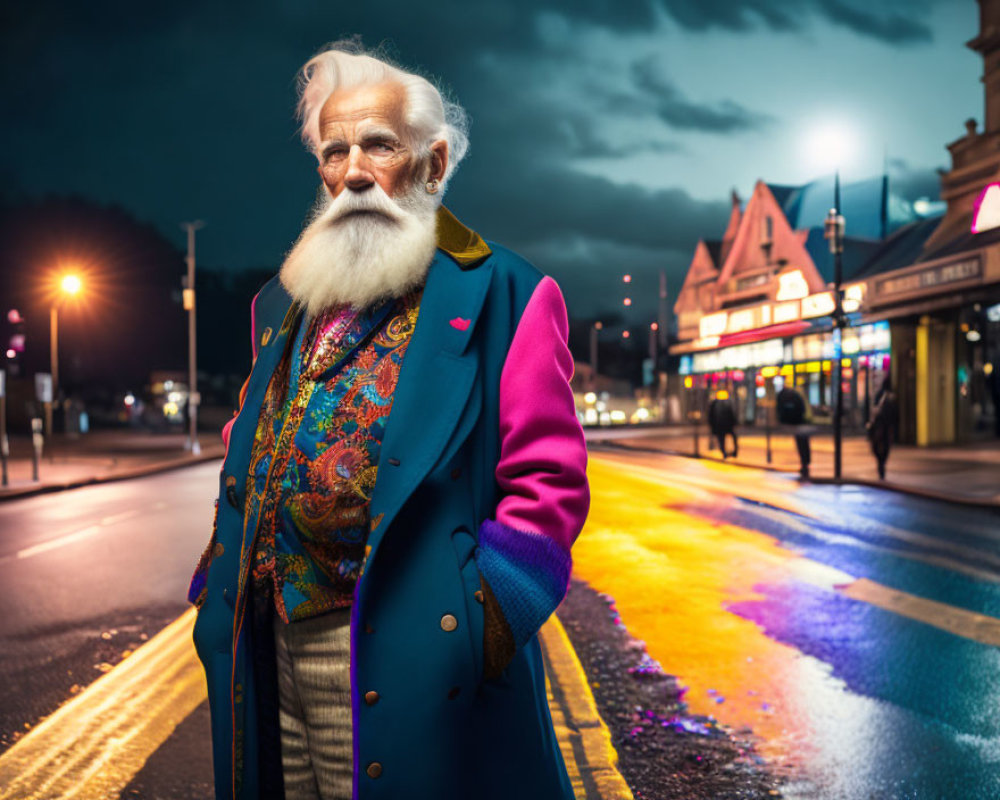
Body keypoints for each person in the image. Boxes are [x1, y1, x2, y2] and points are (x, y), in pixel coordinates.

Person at [186, 41, 589, 800]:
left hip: (404, 651)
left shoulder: (507, 292)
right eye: (335, 151)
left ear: (433, 164)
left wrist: (479, 629)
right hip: (270, 642)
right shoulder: (283, 301)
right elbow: (251, 449)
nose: (356, 170)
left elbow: (550, 486)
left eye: (380, 144)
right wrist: (219, 585)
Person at [776, 380, 812, 478]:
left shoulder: (786, 395)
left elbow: (780, 409)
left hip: (798, 421)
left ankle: (805, 463)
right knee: (804, 443)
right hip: (804, 420)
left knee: (801, 443)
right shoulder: (798, 394)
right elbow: (804, 408)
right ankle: (805, 463)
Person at [867, 376, 899, 480]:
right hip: (886, 427)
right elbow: (895, 414)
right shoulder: (891, 396)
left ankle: (881, 465)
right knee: (884, 448)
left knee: (877, 447)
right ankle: (881, 465)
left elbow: (874, 410)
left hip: (880, 426)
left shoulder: (881, 395)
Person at [707, 390, 738, 458]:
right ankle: (731, 452)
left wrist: (712, 426)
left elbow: (711, 416)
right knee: (729, 438)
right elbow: (732, 414)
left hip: (720, 425)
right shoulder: (727, 403)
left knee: (722, 440)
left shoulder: (715, 403)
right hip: (725, 425)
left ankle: (725, 453)